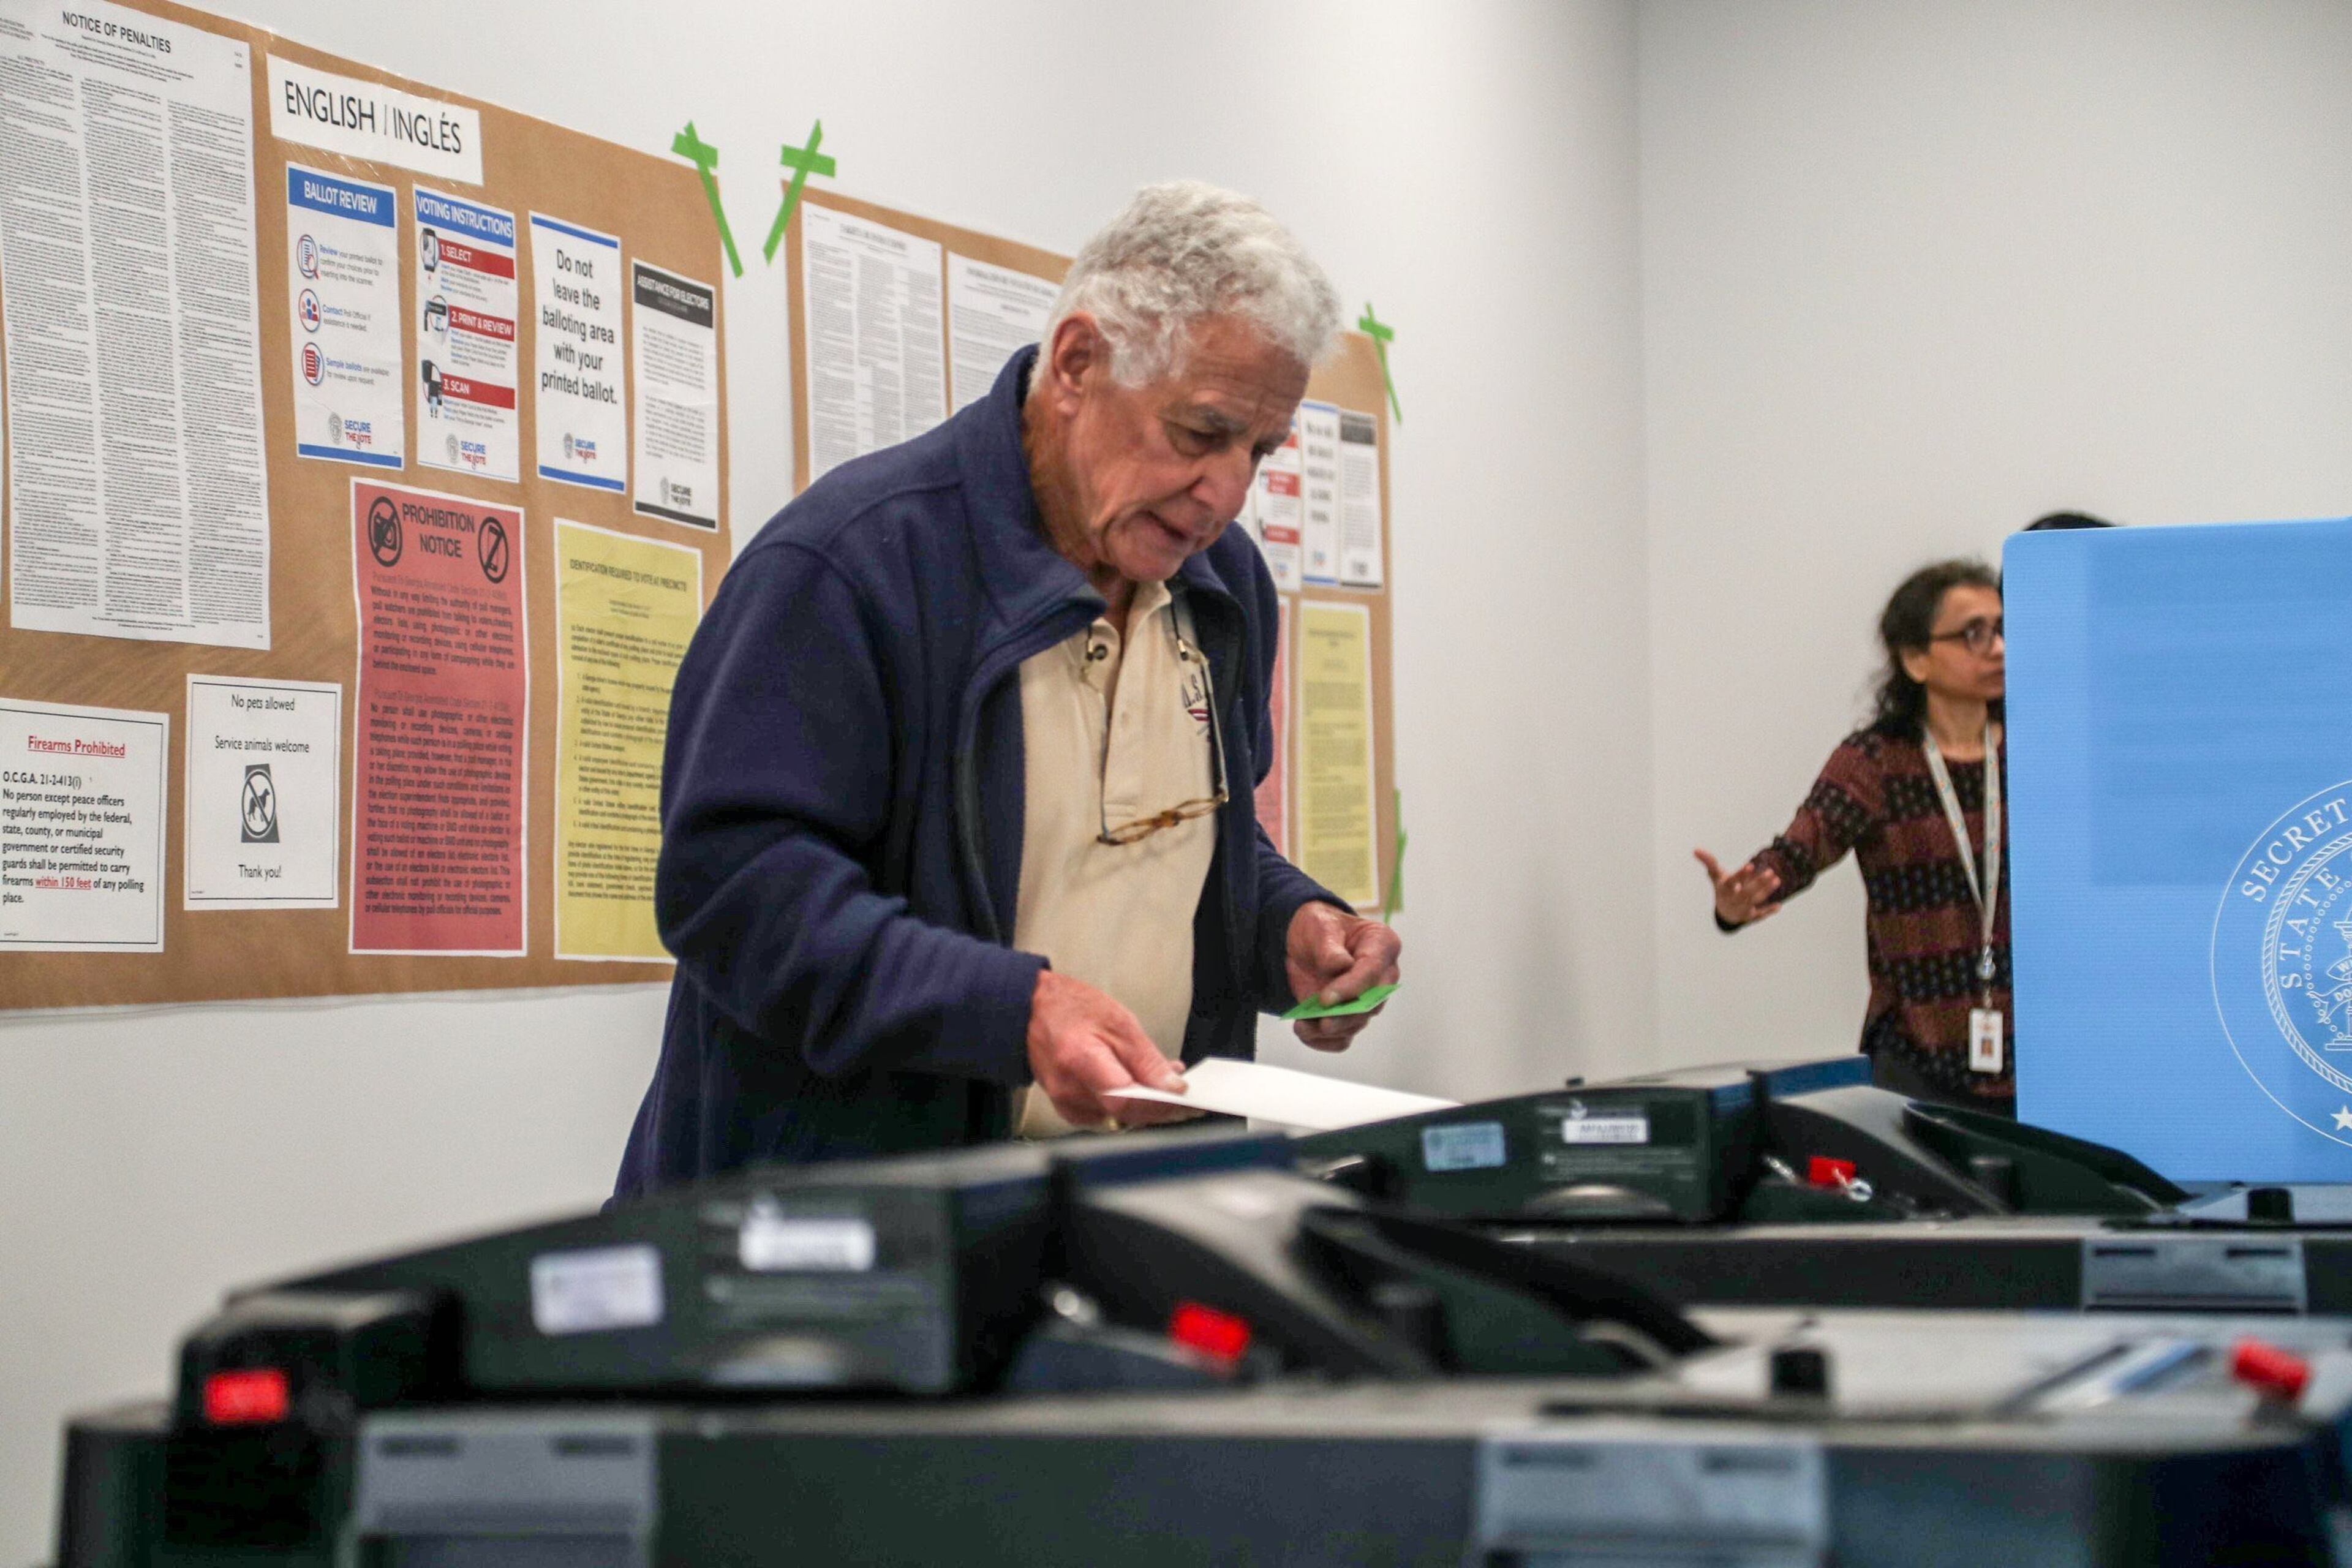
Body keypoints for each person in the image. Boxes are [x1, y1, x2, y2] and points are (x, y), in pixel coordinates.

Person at [613, 183, 1403, 1199]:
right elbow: (737, 891)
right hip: (854, 1240)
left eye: (1260, 450)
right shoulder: (854, 564)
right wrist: (1013, 1010)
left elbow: (1194, 843)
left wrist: (1288, 929)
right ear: (1077, 364)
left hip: (1138, 1212)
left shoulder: (1225, 588)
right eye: (1201, 434)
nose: (1229, 494)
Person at [1694, 560, 2013, 1112]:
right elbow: (1801, 847)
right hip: (1915, 1060)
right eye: (1973, 634)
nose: (1999, 648)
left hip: (2039, 1061)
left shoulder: (2041, 747)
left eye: (2003, 628)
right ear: (1915, 659)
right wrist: (1741, 901)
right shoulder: (1877, 761)